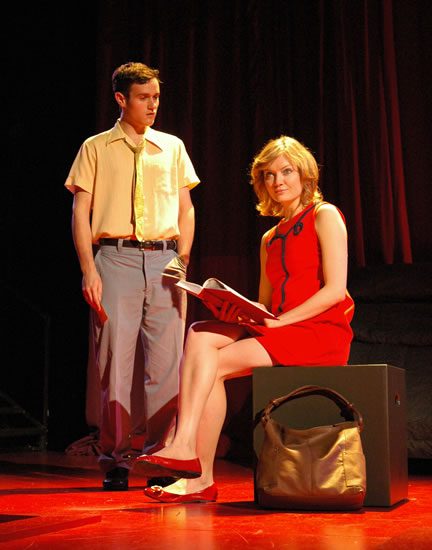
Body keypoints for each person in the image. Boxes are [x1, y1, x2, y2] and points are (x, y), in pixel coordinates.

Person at [135, 135, 355, 503]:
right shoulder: (270, 237)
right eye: (269, 175)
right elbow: (266, 304)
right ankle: (190, 460)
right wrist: (233, 308)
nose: (278, 181)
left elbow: (335, 290)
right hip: (280, 326)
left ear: (305, 174)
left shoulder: (324, 215)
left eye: (286, 171)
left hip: (319, 332)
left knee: (214, 365)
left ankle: (191, 460)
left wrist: (280, 322)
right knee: (201, 332)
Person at [65, 62, 200, 491]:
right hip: (115, 259)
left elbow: (186, 210)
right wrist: (89, 269)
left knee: (166, 366)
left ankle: (159, 455)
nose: (153, 105)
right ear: (121, 99)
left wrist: (182, 257)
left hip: (165, 262)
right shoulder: (96, 147)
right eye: (144, 97)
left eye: (156, 97)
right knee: (115, 366)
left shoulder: (172, 147)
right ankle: (117, 459)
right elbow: (80, 213)